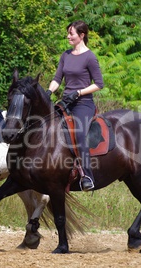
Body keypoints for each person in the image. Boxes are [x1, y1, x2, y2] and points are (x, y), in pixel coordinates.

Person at [47, 20, 104, 191]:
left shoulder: (90, 57)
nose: (68, 37)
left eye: (71, 34)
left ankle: (87, 176)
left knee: (79, 134)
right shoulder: (66, 55)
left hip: (83, 104)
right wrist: (48, 92)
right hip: (66, 102)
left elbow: (99, 84)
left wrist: (79, 92)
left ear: (81, 35)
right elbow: (57, 79)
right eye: (68, 33)